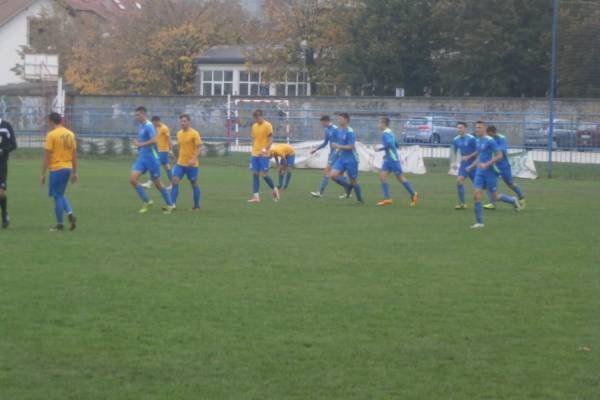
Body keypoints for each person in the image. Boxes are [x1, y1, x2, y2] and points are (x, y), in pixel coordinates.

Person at [468, 121, 521, 229]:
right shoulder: (478, 140)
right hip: (479, 172)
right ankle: (479, 222)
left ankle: (512, 200)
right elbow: (480, 156)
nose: (477, 129)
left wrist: (487, 164)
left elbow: (500, 155)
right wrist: (471, 166)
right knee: (477, 194)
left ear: (484, 129)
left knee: (495, 197)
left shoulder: (490, 141)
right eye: (476, 127)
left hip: (490, 172)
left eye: (479, 127)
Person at [129, 106, 174, 214]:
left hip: (152, 158)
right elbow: (143, 140)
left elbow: (154, 140)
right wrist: (138, 144)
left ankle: (170, 204)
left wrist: (140, 144)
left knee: (158, 184)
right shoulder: (141, 125)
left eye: (138, 115)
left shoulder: (149, 126)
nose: (136, 117)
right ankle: (147, 201)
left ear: (144, 114)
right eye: (135, 115)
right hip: (142, 158)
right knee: (133, 179)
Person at [40, 112, 78, 232]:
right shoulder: (70, 134)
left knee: (56, 196)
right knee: (60, 194)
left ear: (51, 121)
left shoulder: (51, 135)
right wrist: (74, 172)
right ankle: (70, 214)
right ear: (61, 121)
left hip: (56, 169)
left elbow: (47, 157)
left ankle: (60, 224)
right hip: (67, 168)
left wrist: (43, 174)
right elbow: (74, 155)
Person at [376, 117, 418, 207]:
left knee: (400, 178)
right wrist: (389, 151)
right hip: (388, 159)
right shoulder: (390, 132)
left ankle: (413, 194)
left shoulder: (385, 134)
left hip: (392, 159)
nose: (378, 125)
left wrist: (379, 149)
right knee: (382, 177)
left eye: (379, 123)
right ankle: (387, 199)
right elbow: (396, 144)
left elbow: (390, 144)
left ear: (383, 124)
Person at [483, 126, 526, 210]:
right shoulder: (488, 139)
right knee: (489, 183)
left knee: (510, 183)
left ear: (493, 133)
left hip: (503, 165)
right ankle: (492, 203)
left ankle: (521, 197)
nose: (489, 136)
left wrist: (492, 148)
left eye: (490, 134)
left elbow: (501, 150)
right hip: (493, 165)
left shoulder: (501, 138)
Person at [170, 114, 202, 211]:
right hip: (180, 164)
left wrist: (194, 159)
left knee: (194, 183)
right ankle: (171, 205)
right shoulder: (179, 133)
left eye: (184, 121)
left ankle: (196, 206)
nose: (182, 123)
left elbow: (199, 147)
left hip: (192, 165)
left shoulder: (194, 133)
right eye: (181, 121)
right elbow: (180, 147)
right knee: (175, 181)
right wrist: (176, 157)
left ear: (189, 122)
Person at [310, 115, 348, 198]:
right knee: (340, 174)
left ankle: (320, 192)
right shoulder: (326, 129)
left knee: (327, 171)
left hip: (337, 153)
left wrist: (339, 151)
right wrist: (316, 149)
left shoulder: (335, 129)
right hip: (332, 153)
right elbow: (325, 143)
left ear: (326, 121)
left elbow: (341, 141)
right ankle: (348, 192)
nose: (322, 125)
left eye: (322, 123)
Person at [329, 113, 364, 203]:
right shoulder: (340, 130)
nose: (339, 120)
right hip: (342, 158)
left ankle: (360, 199)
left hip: (351, 159)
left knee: (353, 180)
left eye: (340, 119)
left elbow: (351, 146)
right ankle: (347, 186)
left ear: (346, 120)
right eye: (338, 119)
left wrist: (338, 146)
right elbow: (341, 144)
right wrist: (337, 151)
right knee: (332, 175)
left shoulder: (350, 131)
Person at [248, 109, 279, 203]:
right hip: (255, 153)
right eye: (255, 118)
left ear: (262, 116)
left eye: (258, 118)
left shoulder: (268, 125)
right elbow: (254, 139)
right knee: (255, 174)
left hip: (264, 154)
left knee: (264, 175)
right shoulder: (254, 126)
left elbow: (271, 140)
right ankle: (256, 197)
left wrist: (265, 149)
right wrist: (253, 148)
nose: (256, 120)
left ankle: (274, 189)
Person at [141, 116, 172, 189]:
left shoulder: (165, 128)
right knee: (167, 167)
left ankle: (149, 182)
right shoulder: (157, 128)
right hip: (158, 150)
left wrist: (170, 150)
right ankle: (173, 184)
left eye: (154, 123)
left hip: (163, 151)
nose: (153, 125)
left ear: (157, 121)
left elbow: (169, 139)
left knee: (155, 165)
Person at [452, 122, 478, 210]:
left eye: (461, 128)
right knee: (459, 181)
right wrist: (454, 162)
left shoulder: (472, 139)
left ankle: (491, 200)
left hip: (473, 164)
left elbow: (478, 151)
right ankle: (462, 203)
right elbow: (454, 151)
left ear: (465, 128)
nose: (459, 129)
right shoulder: (456, 139)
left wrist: (469, 156)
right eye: (458, 128)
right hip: (464, 164)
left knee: (478, 185)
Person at [0, 118, 17, 228]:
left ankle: (4, 214)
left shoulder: (6, 126)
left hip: (1, 164)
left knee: (1, 193)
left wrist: (3, 151)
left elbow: (14, 145)